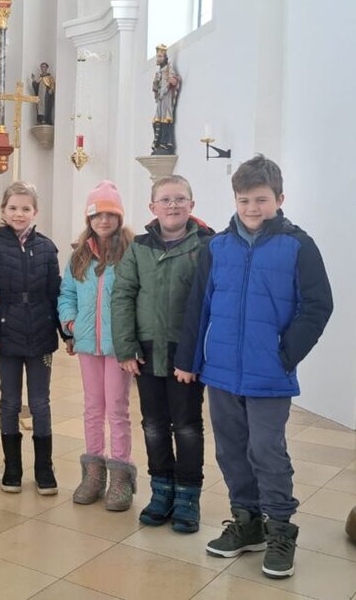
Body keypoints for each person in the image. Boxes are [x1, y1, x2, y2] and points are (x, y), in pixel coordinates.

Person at [174, 155, 333, 579]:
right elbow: (199, 307)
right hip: (221, 371)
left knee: (266, 450)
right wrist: (189, 361)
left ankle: (280, 529)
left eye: (261, 200)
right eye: (244, 200)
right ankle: (247, 522)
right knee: (230, 450)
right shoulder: (217, 247)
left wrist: (285, 354)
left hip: (269, 374)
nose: (252, 209)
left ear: (280, 198)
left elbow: (318, 306)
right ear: (235, 199)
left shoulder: (298, 246)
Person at [111, 175, 213, 534]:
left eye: (180, 199)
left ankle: (188, 495)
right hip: (146, 351)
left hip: (186, 353)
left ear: (192, 205)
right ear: (152, 207)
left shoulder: (207, 246)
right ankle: (162, 490)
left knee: (186, 425)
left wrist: (197, 355)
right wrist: (125, 347)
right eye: (165, 200)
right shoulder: (138, 248)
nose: (173, 205)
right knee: (153, 424)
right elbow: (122, 296)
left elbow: (210, 302)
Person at [0, 182, 63, 495]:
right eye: (13, 208)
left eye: (25, 208)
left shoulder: (48, 248)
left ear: (35, 212)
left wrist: (66, 334)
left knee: (40, 402)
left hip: (41, 336)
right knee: (9, 402)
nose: (19, 213)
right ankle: (12, 468)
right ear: (2, 211)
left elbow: (56, 294)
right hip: (6, 334)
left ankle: (44, 469)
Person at [58, 180, 136, 511]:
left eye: (109, 214)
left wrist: (132, 340)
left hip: (119, 347)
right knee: (93, 407)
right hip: (88, 345)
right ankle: (93, 472)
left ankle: (120, 475)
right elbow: (67, 295)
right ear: (88, 218)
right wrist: (71, 324)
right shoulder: (78, 256)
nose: (103, 221)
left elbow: (137, 296)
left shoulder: (132, 253)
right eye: (96, 215)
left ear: (119, 217)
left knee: (117, 409)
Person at [151, 44, 180, 155]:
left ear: (165, 57)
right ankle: (158, 144)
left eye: (160, 56)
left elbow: (175, 81)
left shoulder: (169, 69)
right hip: (160, 99)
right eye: (157, 57)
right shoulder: (159, 72)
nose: (158, 59)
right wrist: (155, 84)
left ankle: (165, 143)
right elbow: (155, 88)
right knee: (156, 121)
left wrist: (173, 81)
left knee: (166, 119)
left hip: (167, 98)